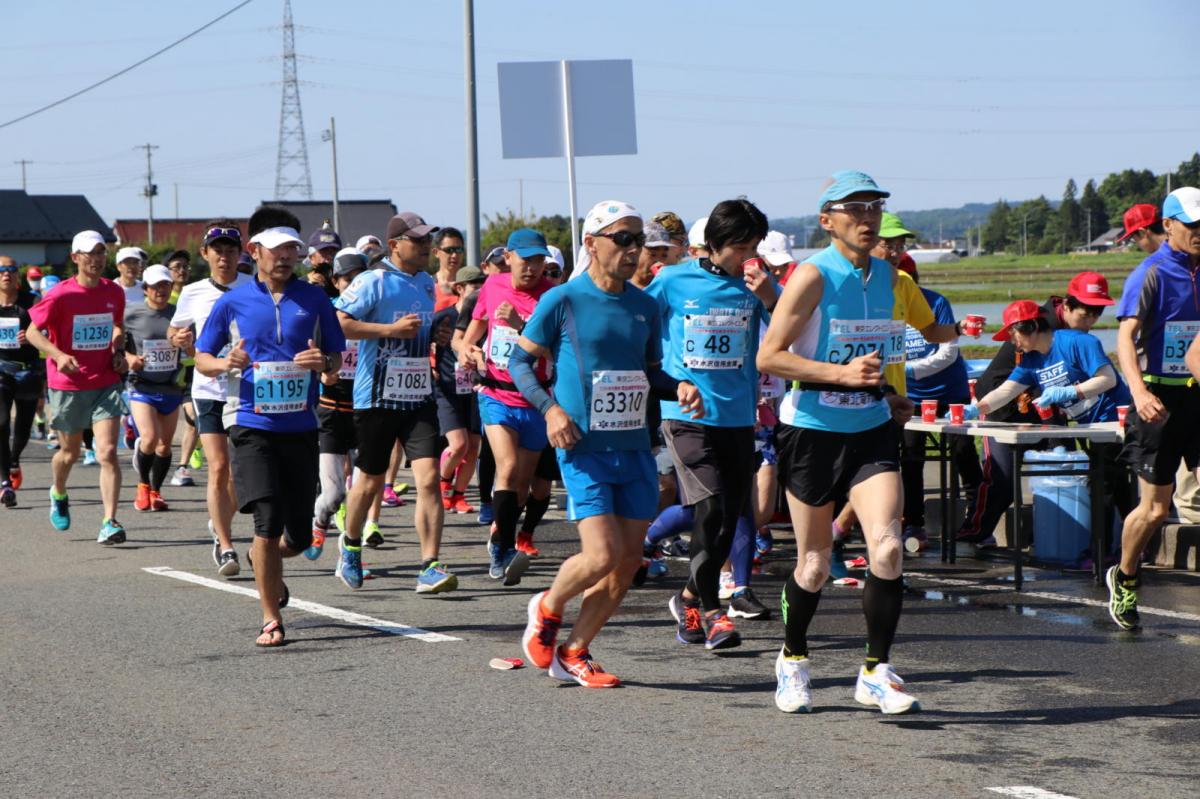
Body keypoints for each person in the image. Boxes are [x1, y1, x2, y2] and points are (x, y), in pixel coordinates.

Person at [515, 200, 703, 686]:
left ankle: (575, 651)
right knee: (599, 556)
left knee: (624, 565)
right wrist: (550, 409)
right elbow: (520, 363)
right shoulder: (563, 300)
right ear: (591, 243)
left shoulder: (643, 305)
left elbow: (650, 372)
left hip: (635, 448)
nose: (633, 249)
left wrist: (678, 386)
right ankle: (548, 605)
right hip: (583, 446)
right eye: (623, 238)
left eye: (638, 240)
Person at [757, 170, 919, 714]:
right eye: (855, 208)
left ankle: (876, 671)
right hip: (811, 430)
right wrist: (839, 376)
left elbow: (875, 353)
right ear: (827, 220)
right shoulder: (811, 275)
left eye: (874, 207)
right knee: (815, 565)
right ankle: (793, 659)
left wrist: (887, 390)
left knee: (890, 547)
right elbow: (770, 357)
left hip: (871, 425)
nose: (868, 217)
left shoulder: (889, 276)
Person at [195, 209, 345, 646]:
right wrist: (226, 362)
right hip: (249, 421)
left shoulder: (315, 300)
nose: (285, 258)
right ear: (254, 252)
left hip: (300, 424)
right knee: (266, 518)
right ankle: (271, 616)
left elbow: (335, 360)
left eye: (292, 251)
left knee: (296, 535)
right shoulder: (233, 301)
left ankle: (267, 563)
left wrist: (325, 364)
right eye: (276, 250)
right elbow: (203, 356)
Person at [647, 198, 778, 651]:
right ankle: (713, 612)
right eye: (741, 247)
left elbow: (790, 334)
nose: (748, 256)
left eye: (753, 247)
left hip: (738, 416)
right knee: (713, 506)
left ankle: (686, 598)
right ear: (716, 243)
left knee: (729, 518)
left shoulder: (755, 284)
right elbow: (637, 324)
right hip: (686, 415)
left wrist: (769, 298)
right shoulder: (672, 280)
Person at [334, 211, 457, 594]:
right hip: (377, 397)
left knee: (429, 481)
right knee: (369, 482)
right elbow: (339, 322)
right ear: (395, 245)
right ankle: (351, 546)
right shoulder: (374, 280)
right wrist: (389, 330)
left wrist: (437, 333)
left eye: (427, 241)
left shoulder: (425, 282)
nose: (425, 247)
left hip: (418, 395)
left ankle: (429, 565)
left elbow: (419, 328)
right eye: (417, 241)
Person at [957, 271, 1116, 546]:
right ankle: (973, 535)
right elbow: (1008, 388)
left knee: (1066, 467)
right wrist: (975, 408)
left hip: (1051, 404)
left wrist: (1068, 394)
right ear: (1066, 306)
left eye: (1097, 312)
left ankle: (1071, 539)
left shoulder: (1073, 339)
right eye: (1086, 312)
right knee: (1002, 479)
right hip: (1007, 407)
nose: (1091, 320)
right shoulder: (1033, 341)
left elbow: (1102, 379)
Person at [1112, 187, 1200, 630]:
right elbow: (1126, 337)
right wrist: (1139, 392)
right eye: (1192, 225)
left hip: (1198, 393)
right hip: (1159, 400)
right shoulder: (1149, 273)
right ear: (1168, 226)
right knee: (1156, 510)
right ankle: (1125, 576)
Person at [457, 228, 556, 583]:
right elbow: (471, 334)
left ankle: (502, 536)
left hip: (535, 398)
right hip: (495, 393)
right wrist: (467, 351)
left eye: (537, 260)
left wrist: (523, 326)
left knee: (522, 484)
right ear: (508, 258)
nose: (530, 267)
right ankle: (502, 548)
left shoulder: (553, 296)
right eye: (524, 259)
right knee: (508, 466)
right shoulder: (492, 285)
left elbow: (555, 353)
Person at [26, 230, 129, 543]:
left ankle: (109, 521)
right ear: (75, 258)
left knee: (108, 452)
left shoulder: (114, 291)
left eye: (100, 252)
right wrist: (57, 354)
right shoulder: (61, 295)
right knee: (68, 454)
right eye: (88, 253)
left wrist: (118, 350)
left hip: (105, 381)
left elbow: (118, 326)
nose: (96, 259)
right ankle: (58, 490)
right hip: (68, 383)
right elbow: (32, 332)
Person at [169, 221, 252, 576]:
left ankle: (219, 523)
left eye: (231, 250)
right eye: (217, 250)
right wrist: (178, 339)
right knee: (218, 467)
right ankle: (226, 544)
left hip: (246, 390)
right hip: (208, 390)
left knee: (237, 473)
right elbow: (176, 327)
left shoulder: (255, 288)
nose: (224, 256)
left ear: (241, 254)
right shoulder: (192, 291)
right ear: (205, 254)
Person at [899, 262, 982, 548]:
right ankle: (913, 523)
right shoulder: (884, 306)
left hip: (949, 392)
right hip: (912, 397)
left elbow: (948, 351)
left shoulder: (936, 302)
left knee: (963, 451)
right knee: (910, 456)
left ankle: (979, 521)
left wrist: (907, 369)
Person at [309, 248, 369, 560]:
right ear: (336, 281)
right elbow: (311, 353)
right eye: (348, 279)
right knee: (333, 495)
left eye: (362, 278)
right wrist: (323, 374)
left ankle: (349, 554)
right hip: (331, 409)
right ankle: (318, 522)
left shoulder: (376, 314)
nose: (356, 284)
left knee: (361, 494)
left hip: (367, 411)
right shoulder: (326, 312)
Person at [123, 264, 185, 512]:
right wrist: (129, 358)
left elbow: (194, 346)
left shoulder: (179, 314)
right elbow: (116, 342)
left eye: (165, 285)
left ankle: (157, 491)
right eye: (155, 286)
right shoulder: (132, 313)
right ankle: (142, 486)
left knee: (164, 445)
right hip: (142, 386)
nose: (160, 290)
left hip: (171, 386)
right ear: (145, 289)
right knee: (148, 439)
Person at [433, 266, 485, 515]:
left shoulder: (484, 319)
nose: (479, 291)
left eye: (482, 285)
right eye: (474, 286)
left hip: (475, 389)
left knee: (474, 447)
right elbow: (424, 342)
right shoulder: (443, 317)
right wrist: (428, 367)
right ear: (459, 289)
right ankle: (443, 483)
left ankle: (459, 495)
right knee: (458, 445)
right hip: (447, 389)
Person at [0, 255, 42, 507]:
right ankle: (4, 483)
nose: (6, 274)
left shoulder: (31, 301)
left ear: (18, 275)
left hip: (28, 371)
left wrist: (34, 334)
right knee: (2, 423)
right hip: (1, 370)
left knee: (24, 427)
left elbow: (49, 329)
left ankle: (14, 459)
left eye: (11, 270)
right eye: (1, 270)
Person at [433, 227, 467, 311]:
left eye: (459, 250)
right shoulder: (426, 285)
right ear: (436, 252)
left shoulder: (470, 287)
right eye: (449, 250)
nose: (454, 255)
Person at [630, 221, 672, 289]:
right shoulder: (618, 288)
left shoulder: (668, 291)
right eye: (653, 255)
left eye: (664, 255)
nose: (659, 262)